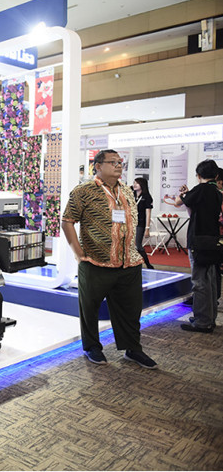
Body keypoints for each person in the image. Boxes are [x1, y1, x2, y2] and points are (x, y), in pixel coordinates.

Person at [62, 149, 157, 369]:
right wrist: (78, 253)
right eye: (113, 162)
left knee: (131, 310)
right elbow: (67, 221)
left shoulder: (127, 190)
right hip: (96, 261)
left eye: (120, 162)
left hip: (129, 262)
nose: (118, 165)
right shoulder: (83, 191)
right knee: (90, 308)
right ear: (98, 166)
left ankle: (133, 349)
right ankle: (92, 347)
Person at [174, 159, 222, 333]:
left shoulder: (201, 189)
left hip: (199, 241)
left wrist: (183, 194)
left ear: (199, 175)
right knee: (211, 281)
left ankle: (202, 321)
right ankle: (209, 318)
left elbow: (179, 202)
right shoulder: (217, 192)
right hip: (213, 240)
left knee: (200, 282)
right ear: (216, 175)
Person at [132, 177, 154, 269]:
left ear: (142, 185)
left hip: (140, 223)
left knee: (138, 245)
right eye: (134, 183)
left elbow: (148, 213)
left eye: (137, 183)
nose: (134, 185)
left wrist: (147, 228)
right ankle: (133, 264)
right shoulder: (132, 194)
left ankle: (148, 264)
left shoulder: (147, 197)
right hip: (130, 222)